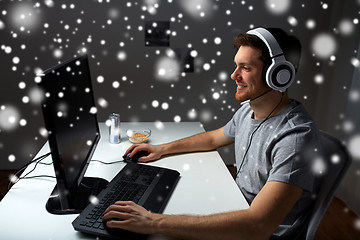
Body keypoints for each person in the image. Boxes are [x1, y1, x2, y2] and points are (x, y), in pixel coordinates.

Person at [102, 27, 320, 239]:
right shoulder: (248, 110)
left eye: (245, 68)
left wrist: (153, 222)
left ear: (279, 75)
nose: (234, 75)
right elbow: (214, 137)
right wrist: (162, 149)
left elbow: (258, 226)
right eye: (236, 66)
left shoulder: (295, 138)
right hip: (239, 210)